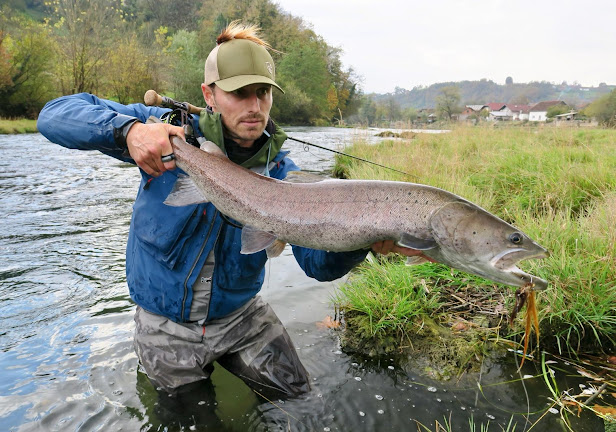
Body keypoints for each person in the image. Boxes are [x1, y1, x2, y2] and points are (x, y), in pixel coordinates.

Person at [37, 21, 425, 401]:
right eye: (240, 93)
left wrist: (362, 240)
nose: (255, 107)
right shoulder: (164, 131)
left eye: (263, 93)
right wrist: (128, 131)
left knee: (300, 402)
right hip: (165, 327)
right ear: (209, 94)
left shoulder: (283, 173)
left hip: (244, 318)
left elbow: (316, 265)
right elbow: (55, 114)